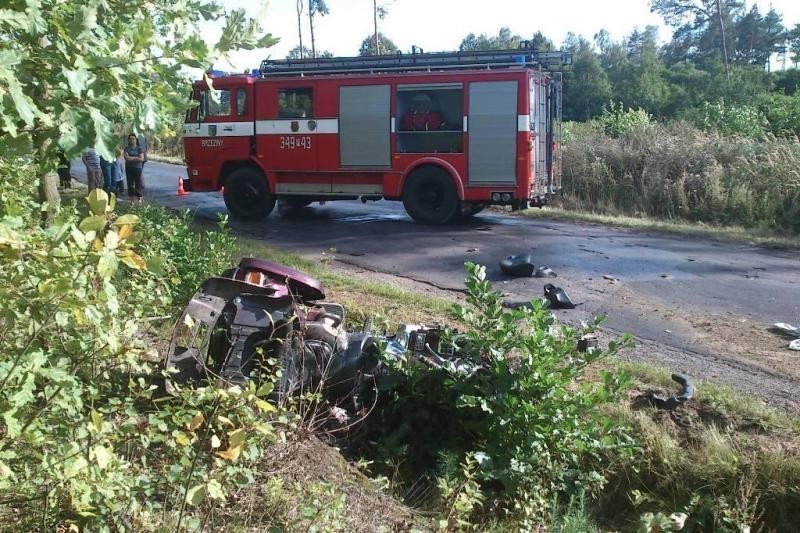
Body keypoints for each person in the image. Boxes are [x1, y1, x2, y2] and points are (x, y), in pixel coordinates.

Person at [123, 134, 145, 201]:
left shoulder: (139, 148)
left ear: (136, 140)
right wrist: (136, 157)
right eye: (130, 139)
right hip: (129, 168)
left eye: (133, 139)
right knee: (130, 184)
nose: (132, 140)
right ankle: (131, 200)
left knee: (138, 183)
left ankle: (139, 199)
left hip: (138, 168)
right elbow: (126, 158)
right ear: (128, 140)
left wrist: (131, 158)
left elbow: (141, 159)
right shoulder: (126, 148)